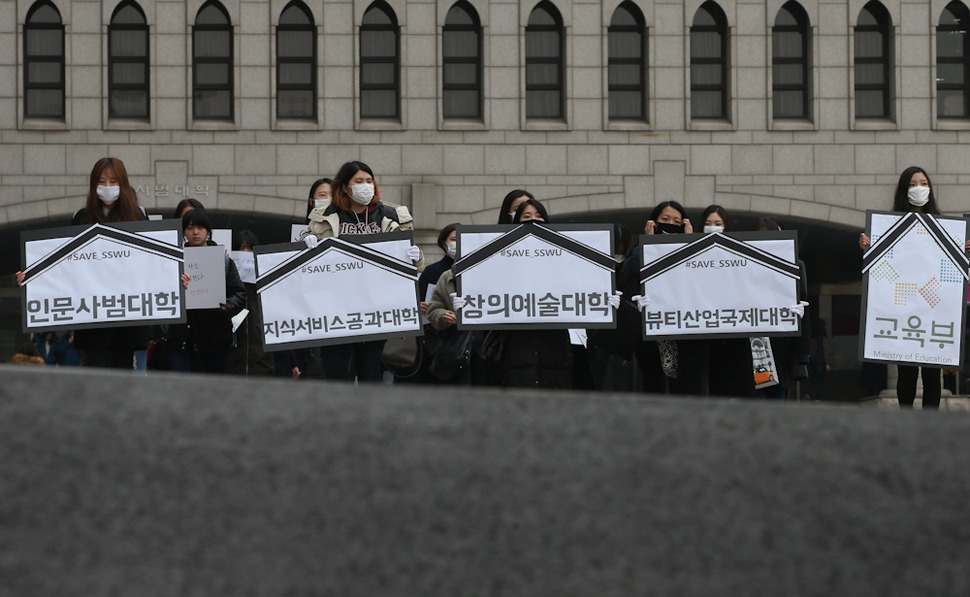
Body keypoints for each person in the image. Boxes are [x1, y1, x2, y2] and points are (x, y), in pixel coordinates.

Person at [302, 161, 421, 382]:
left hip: (375, 307)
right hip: (336, 308)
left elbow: (414, 264)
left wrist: (415, 256)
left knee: (370, 372)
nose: (366, 186)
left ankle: (368, 416)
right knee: (337, 372)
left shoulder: (392, 215)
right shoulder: (325, 216)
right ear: (345, 187)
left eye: (369, 181)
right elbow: (305, 255)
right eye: (359, 181)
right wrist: (305, 243)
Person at [859, 166, 951, 409]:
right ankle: (906, 420)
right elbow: (884, 263)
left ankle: (928, 426)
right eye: (912, 184)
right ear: (903, 190)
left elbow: (949, 264)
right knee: (906, 371)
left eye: (923, 183)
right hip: (903, 305)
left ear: (930, 188)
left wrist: (965, 250)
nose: (918, 188)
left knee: (933, 371)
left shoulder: (944, 226)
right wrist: (868, 245)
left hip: (933, 306)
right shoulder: (890, 224)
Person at [671, 206, 756, 398]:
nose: (713, 227)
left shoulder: (739, 256)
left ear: (726, 227)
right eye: (708, 224)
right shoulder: (691, 254)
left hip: (732, 338)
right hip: (697, 337)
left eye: (718, 224)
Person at [167, 209, 247, 374]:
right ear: (183, 232)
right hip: (182, 338)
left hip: (215, 338)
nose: (195, 232)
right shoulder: (175, 260)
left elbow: (240, 293)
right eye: (189, 228)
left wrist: (226, 306)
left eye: (200, 227)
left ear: (208, 231)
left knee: (211, 390)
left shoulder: (223, 261)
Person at [748, 216, 811, 400]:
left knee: (777, 401)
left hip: (782, 348)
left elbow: (804, 311)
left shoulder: (793, 266)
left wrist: (803, 353)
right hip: (753, 346)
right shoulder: (742, 266)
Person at [225, 230, 275, 377]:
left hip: (262, 365)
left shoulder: (267, 289)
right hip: (233, 365)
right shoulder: (226, 287)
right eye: (241, 249)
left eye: (250, 249)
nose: (246, 254)